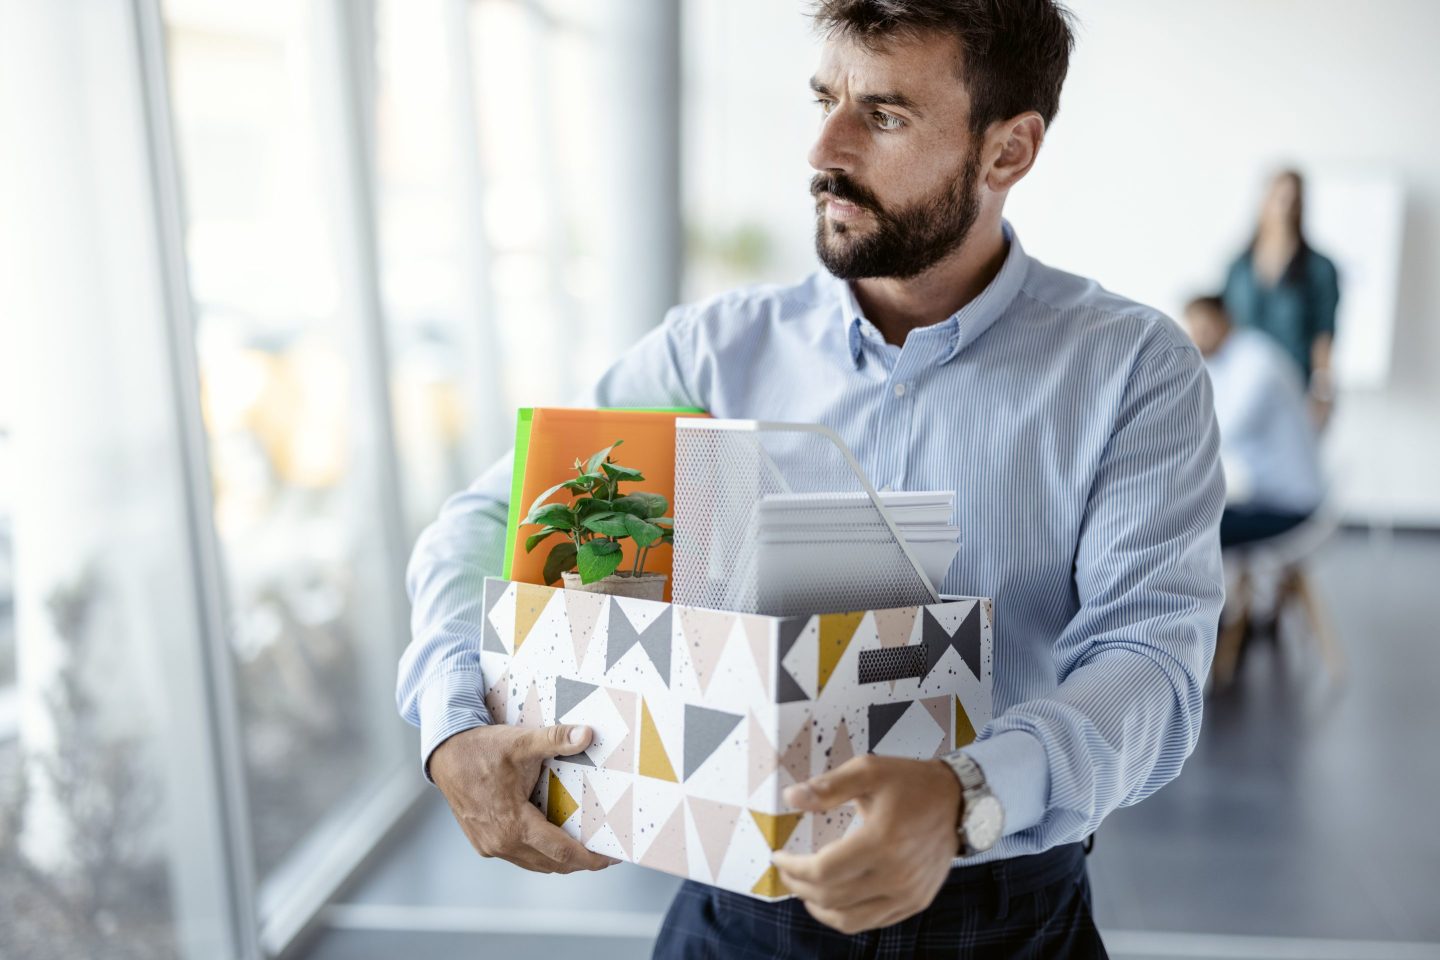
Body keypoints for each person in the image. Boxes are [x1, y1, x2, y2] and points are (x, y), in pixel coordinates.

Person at [397, 2, 1225, 956]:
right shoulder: (709, 355)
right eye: (824, 98)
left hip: (1002, 916)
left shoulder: (1132, 371)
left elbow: (1149, 664)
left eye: (884, 116)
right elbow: (496, 518)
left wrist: (969, 795)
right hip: (737, 910)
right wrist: (451, 723)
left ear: (1008, 153)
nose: (822, 149)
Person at [1182, 296, 1323, 548]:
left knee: (1189, 529)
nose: (1196, 339)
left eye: (1203, 329)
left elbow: (1223, 430)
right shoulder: (1229, 360)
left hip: (1287, 508)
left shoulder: (1256, 361)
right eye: (1192, 329)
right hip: (1265, 497)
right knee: (1189, 519)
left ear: (1224, 321)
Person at [1222, 169, 1341, 424]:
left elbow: (1324, 334)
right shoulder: (1239, 266)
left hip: (1295, 390)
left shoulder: (1319, 268)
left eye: (1293, 200)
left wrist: (1322, 391)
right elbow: (1226, 326)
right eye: (1279, 197)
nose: (1284, 208)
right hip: (1242, 391)